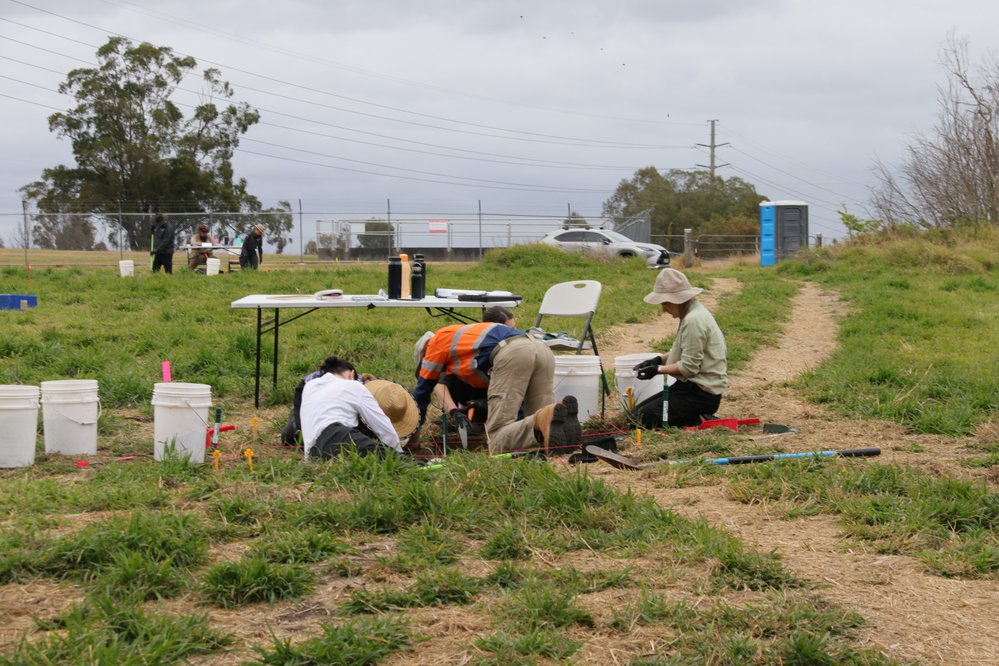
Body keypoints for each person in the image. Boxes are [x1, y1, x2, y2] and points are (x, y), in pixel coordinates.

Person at [412, 320, 578, 454]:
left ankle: (541, 421)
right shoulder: (464, 339)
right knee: (546, 423)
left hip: (513, 354)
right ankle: (563, 430)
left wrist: (413, 442)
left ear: (424, 354)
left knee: (497, 436)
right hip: (542, 349)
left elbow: (421, 394)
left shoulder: (434, 345)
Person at [632, 268, 728, 427]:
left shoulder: (693, 320)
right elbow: (687, 350)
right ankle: (692, 418)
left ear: (676, 300)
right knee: (635, 415)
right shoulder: (693, 312)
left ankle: (697, 418)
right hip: (688, 387)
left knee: (639, 421)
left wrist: (657, 370)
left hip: (700, 394)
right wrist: (658, 359)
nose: (663, 309)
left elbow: (689, 367)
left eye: (665, 303)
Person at [300, 356, 419, 459]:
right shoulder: (354, 385)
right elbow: (382, 426)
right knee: (383, 455)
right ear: (352, 374)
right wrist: (398, 454)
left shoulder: (309, 386)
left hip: (313, 453)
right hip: (337, 437)